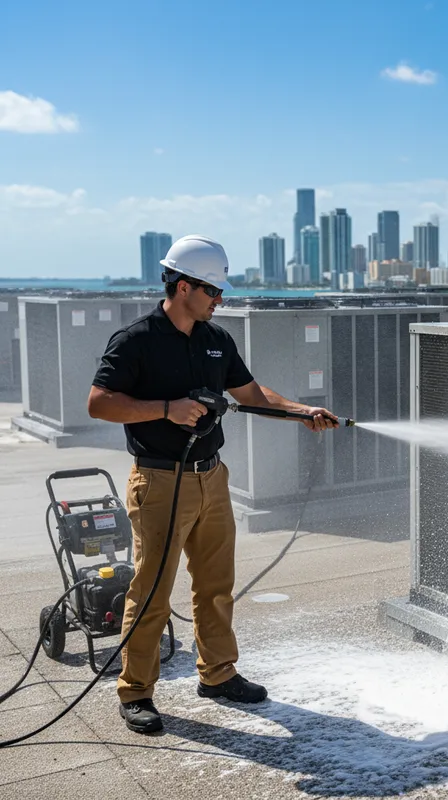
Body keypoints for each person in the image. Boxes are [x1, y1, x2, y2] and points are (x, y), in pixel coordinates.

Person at [88, 234, 338, 734]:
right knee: (152, 590)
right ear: (184, 286)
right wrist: (166, 409)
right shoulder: (135, 340)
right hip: (158, 480)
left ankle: (218, 675)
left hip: (211, 478)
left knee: (215, 585)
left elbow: (250, 391)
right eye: (212, 292)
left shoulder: (216, 338)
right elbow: (99, 403)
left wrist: (299, 411)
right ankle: (135, 691)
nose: (219, 300)